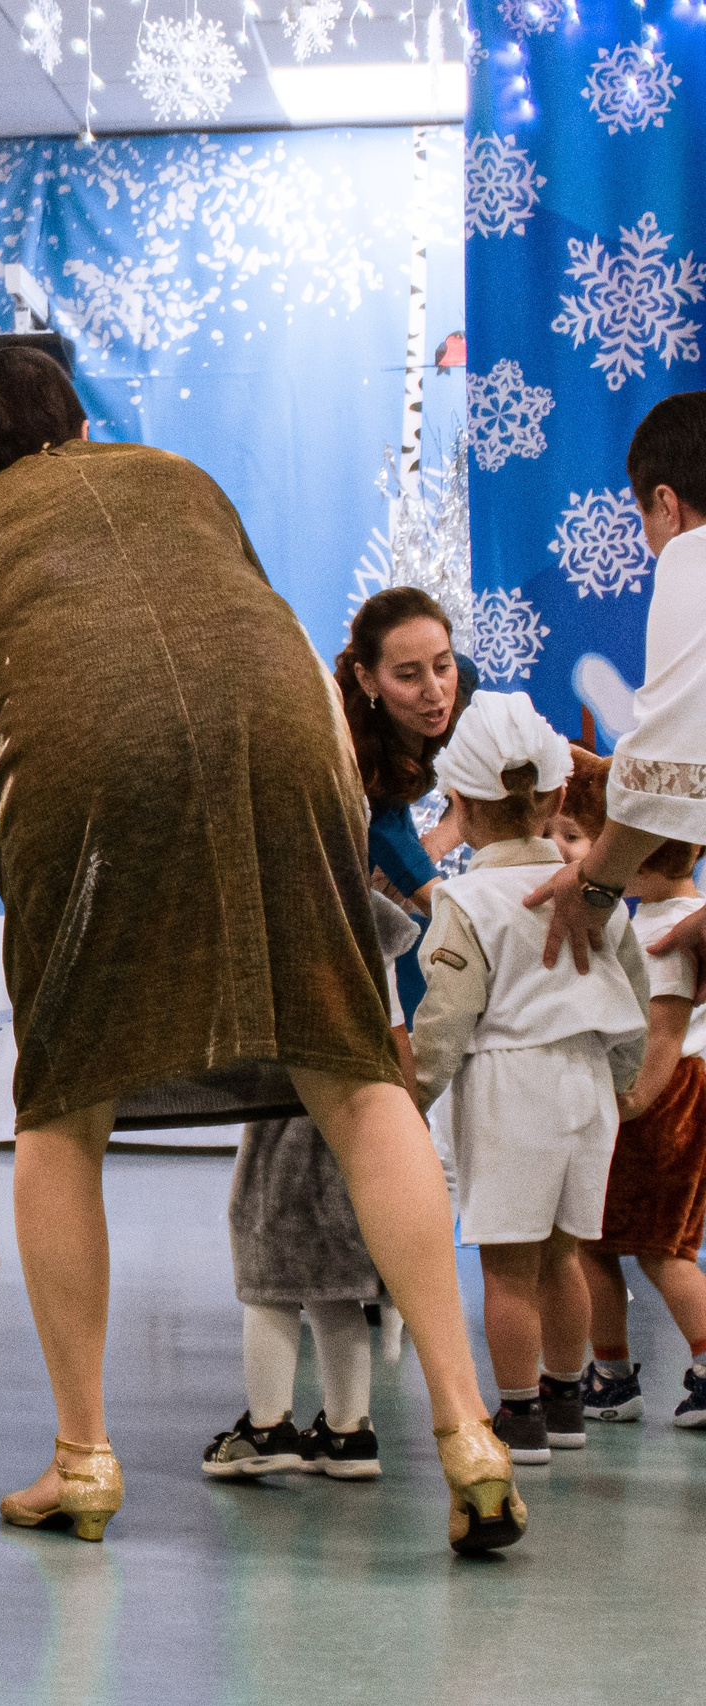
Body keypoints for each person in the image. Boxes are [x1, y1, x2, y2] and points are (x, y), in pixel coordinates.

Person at [0, 344, 520, 1553]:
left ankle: (81, 1456)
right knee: (352, 1074)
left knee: (59, 1105)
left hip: (84, 772)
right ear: (76, 424)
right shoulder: (177, 473)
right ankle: (466, 1426)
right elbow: (239, 635)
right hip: (293, 742)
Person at [409, 695, 647, 1464]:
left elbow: (447, 1016)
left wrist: (412, 1096)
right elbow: (636, 995)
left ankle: (517, 1417)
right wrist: (621, 1081)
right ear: (552, 798)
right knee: (566, 1252)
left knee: (507, 1265)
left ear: (461, 806)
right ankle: (568, 1401)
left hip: (511, 1085)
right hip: (588, 1082)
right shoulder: (598, 892)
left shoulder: (465, 901)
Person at [203, 887, 418, 1484]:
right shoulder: (365, 914)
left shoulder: (270, 905)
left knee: (269, 1279)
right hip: (359, 1118)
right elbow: (397, 1033)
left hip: (286, 1115)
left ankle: (266, 1427)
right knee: (338, 1282)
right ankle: (350, 1432)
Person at [528, 393, 706, 972]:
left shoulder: (691, 556)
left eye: (643, 520)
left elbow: (667, 759)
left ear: (666, 503)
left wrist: (595, 883)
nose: (650, 542)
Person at [572, 805, 706, 1431]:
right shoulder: (681, 914)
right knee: (610, 1244)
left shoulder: (663, 932)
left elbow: (663, 1037)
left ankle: (634, 1372)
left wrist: (631, 1104)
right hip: (680, 1095)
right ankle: (610, 1373)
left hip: (660, 1100)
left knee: (658, 1249)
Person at [336, 588, 476, 1021]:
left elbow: (488, 781)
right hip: (351, 847)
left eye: (441, 665)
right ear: (368, 679)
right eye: (408, 676)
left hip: (393, 819)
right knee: (412, 939)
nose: (435, 692)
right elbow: (436, 902)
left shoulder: (462, 682)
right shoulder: (350, 754)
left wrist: (436, 841)